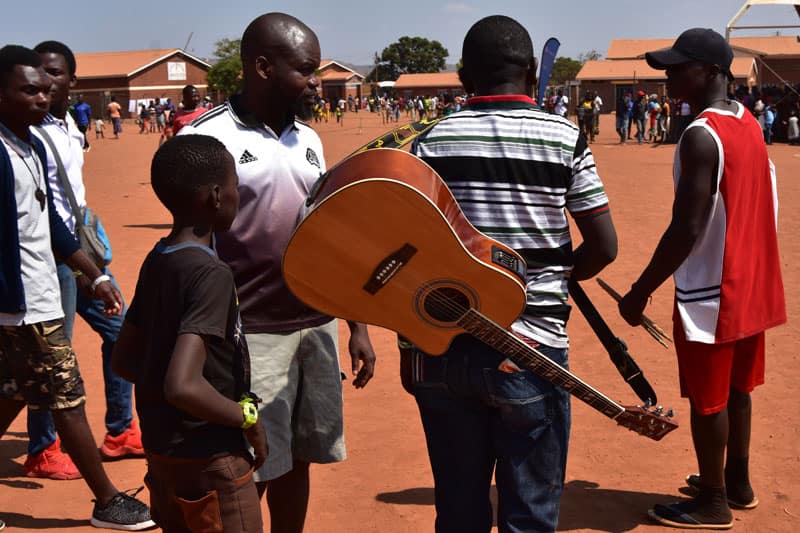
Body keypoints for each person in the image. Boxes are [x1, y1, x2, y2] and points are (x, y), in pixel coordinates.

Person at [405, 16, 617, 532]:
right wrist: (556, 281)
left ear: (462, 77)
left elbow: (405, 245)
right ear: (529, 71)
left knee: (458, 509)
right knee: (530, 513)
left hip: (441, 346)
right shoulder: (564, 137)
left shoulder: (428, 141)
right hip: (533, 347)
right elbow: (604, 246)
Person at [179, 13, 377, 533]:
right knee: (253, 464)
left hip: (316, 326)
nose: (316, 80)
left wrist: (355, 324)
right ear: (263, 67)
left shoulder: (308, 138)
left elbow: (329, 234)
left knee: (301, 457)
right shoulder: (207, 139)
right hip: (250, 337)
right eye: (307, 70)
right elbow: (190, 248)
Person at [619, 28, 786, 530]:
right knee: (739, 391)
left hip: (714, 290)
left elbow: (686, 228)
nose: (669, 75)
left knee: (710, 399)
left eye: (679, 67)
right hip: (752, 283)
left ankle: (713, 501)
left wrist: (640, 290)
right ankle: (738, 482)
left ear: (712, 72)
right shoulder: (749, 124)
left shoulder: (700, 134)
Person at [0, 44, 153, 530]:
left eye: (46, 90)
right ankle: (107, 501)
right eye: (29, 89)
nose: (42, 98)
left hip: (43, 289)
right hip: (20, 305)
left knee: (12, 393)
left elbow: (54, 227)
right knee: (68, 395)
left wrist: (97, 274)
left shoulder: (34, 146)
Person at [111, 134, 268, 532]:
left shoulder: (159, 258)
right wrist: (247, 417)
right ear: (216, 196)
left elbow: (125, 360)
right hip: (211, 459)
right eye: (236, 186)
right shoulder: (210, 274)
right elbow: (182, 386)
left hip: (163, 457)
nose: (238, 195)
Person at [24, 40, 144, 481]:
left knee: (122, 330)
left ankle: (120, 431)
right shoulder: (25, 132)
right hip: (50, 257)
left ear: (71, 80)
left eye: (54, 73)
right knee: (54, 354)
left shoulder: (68, 125)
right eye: (38, 73)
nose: (44, 81)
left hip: (82, 252)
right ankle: (43, 447)